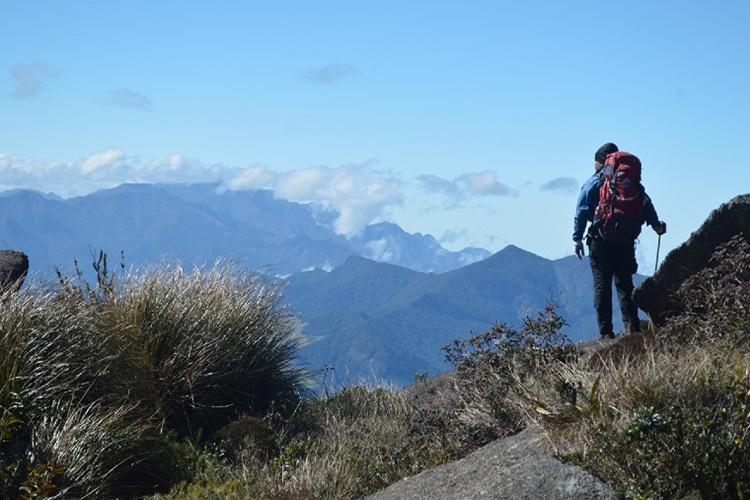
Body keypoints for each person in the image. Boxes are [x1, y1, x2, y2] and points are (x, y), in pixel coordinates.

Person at [573, 142, 666, 339]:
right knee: (625, 284)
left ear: (601, 162)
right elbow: (646, 204)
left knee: (602, 286)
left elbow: (581, 211)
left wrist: (577, 238)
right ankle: (632, 328)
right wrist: (657, 226)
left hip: (600, 240)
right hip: (625, 240)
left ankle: (606, 333)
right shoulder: (631, 184)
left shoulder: (594, 183)